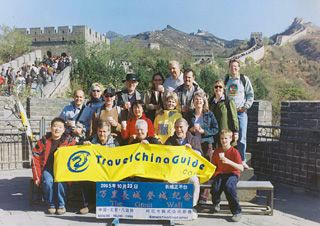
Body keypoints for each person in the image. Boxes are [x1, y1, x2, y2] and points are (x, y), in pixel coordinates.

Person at [31, 118, 76, 215]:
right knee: (48, 182)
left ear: (64, 130)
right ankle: (51, 204)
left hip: (62, 169)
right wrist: (37, 176)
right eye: (55, 126)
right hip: (47, 168)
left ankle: (61, 205)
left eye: (60, 127)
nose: (57, 129)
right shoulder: (43, 140)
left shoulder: (69, 141)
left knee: (60, 182)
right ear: (51, 128)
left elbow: (76, 154)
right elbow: (35, 157)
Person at [165, 118, 201, 219]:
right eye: (176, 127)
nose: (179, 129)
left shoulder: (194, 139)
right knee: (168, 182)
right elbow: (164, 154)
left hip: (188, 172)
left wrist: (192, 151)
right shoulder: (170, 140)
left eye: (181, 127)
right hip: (174, 172)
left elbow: (200, 156)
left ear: (187, 127)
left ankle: (192, 207)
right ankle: (171, 208)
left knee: (194, 181)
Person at [79, 121, 119, 214]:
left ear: (109, 132)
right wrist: (84, 144)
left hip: (109, 171)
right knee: (85, 179)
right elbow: (78, 146)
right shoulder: (91, 139)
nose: (102, 134)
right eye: (100, 131)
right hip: (94, 170)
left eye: (104, 131)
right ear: (97, 131)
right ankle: (89, 204)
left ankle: (108, 204)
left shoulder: (116, 142)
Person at [225, 59, 254, 169]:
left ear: (239, 68)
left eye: (236, 66)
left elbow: (250, 95)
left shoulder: (244, 79)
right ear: (229, 68)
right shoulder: (226, 79)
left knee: (241, 137)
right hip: (228, 113)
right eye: (232, 66)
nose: (234, 68)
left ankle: (241, 160)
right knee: (228, 137)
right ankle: (229, 158)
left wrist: (245, 107)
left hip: (241, 113)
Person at [210, 129, 244, 222]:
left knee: (229, 187)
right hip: (220, 173)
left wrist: (228, 161)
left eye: (226, 138)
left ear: (230, 139)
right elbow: (213, 165)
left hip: (232, 173)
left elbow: (241, 168)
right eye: (222, 138)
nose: (223, 141)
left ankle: (236, 212)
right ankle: (216, 203)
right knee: (215, 188)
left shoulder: (234, 152)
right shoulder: (217, 151)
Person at [185, 91, 219, 161]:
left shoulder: (210, 114)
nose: (198, 101)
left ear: (203, 101)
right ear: (193, 102)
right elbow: (184, 127)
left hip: (206, 143)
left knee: (207, 163)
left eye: (200, 99)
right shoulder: (189, 114)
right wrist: (190, 129)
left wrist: (204, 131)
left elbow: (216, 129)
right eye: (196, 99)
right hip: (193, 144)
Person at [209, 79, 239, 147]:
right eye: (216, 87)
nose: (218, 88)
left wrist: (235, 131)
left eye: (220, 87)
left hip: (226, 134)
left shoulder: (228, 101)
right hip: (214, 134)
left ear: (224, 88)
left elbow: (234, 117)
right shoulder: (211, 102)